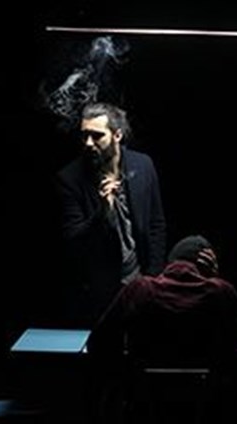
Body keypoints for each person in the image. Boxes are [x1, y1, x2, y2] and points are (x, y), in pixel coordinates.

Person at [87, 235, 237, 424]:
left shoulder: (140, 289)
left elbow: (98, 343)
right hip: (206, 413)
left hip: (143, 412)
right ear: (206, 265)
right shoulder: (220, 292)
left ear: (169, 264)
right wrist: (215, 279)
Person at [55, 102, 166, 327]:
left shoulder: (143, 165)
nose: (88, 143)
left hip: (142, 284)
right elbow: (73, 241)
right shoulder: (69, 179)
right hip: (100, 292)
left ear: (117, 135)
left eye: (97, 136)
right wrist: (103, 212)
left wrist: (153, 278)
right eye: (84, 135)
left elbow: (156, 224)